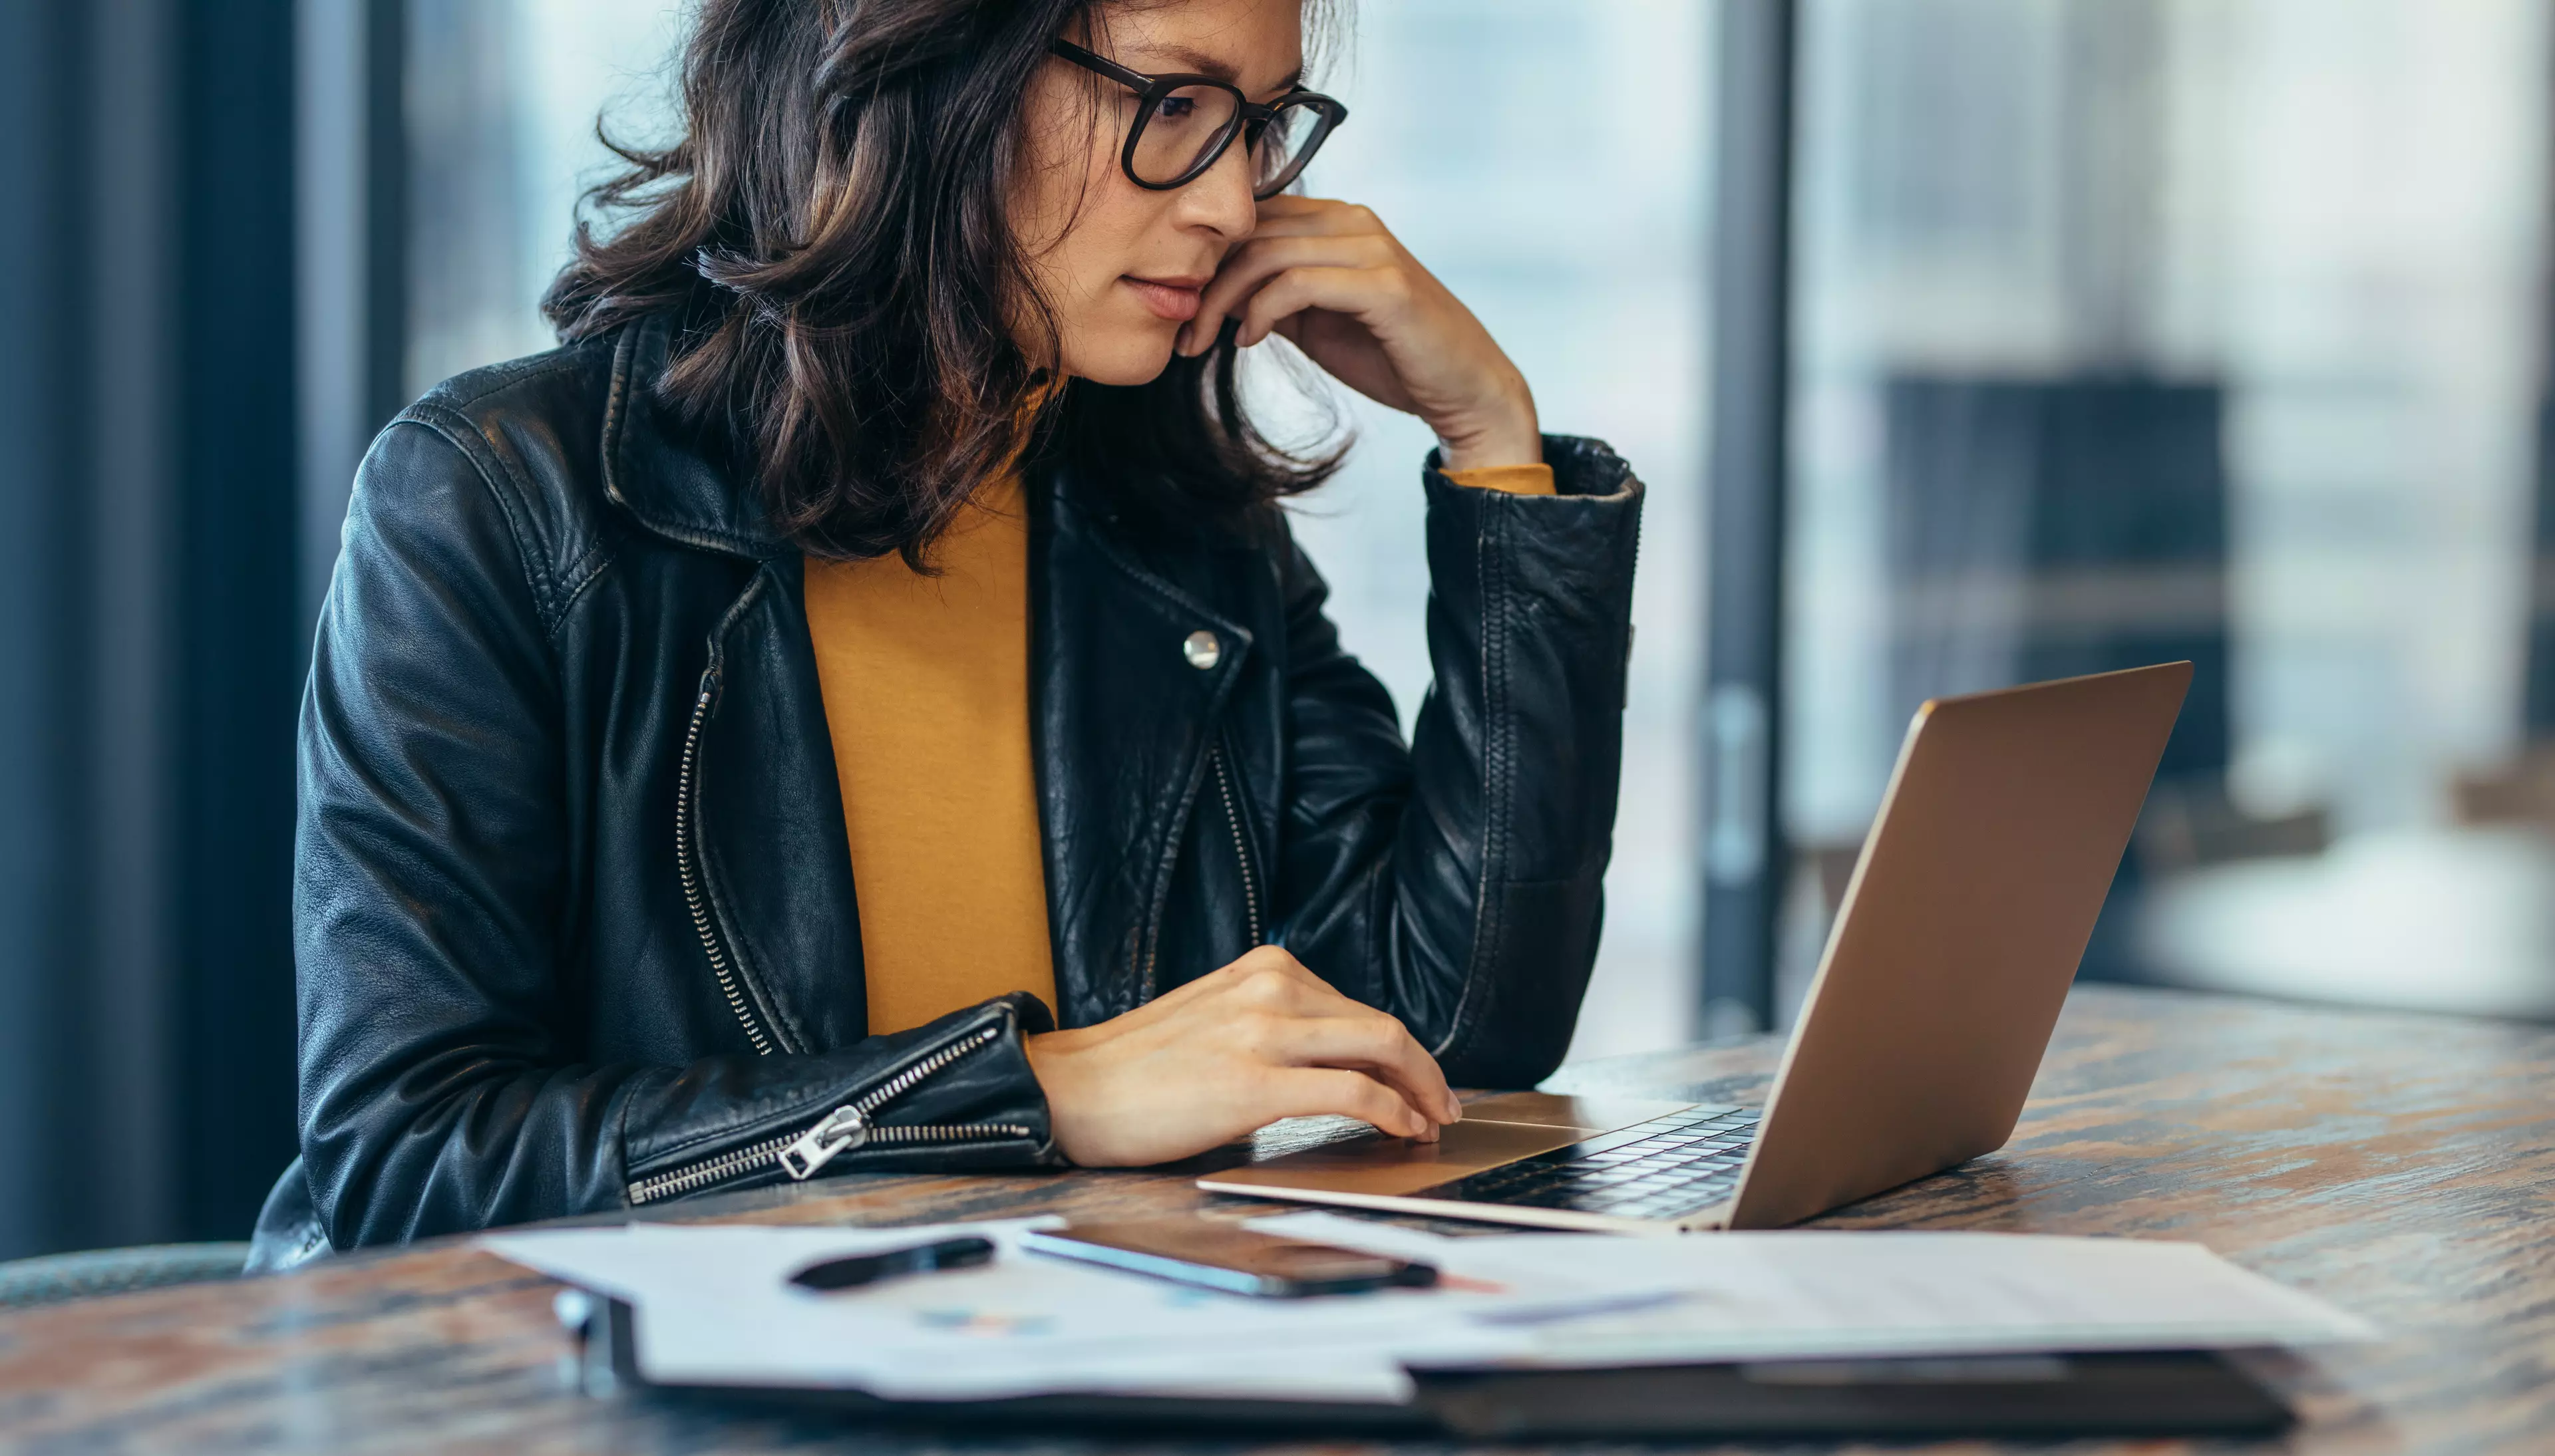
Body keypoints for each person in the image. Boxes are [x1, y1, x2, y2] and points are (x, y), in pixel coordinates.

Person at [251, 0, 1642, 1266]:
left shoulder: (1177, 532)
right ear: (922, 69)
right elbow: (410, 1155)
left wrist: (1496, 454)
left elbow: (1458, 1033)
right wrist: (1036, 1089)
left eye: (1261, 127)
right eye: (1170, 106)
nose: (1232, 201)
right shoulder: (502, 492)